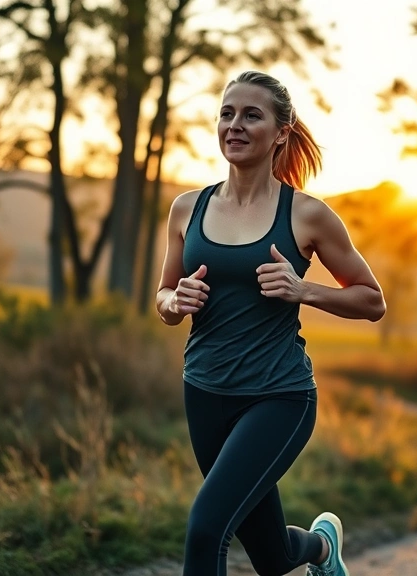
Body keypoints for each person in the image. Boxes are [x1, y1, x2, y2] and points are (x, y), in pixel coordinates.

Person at [155, 70, 386, 576]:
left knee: (206, 530)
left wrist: (304, 289)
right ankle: (322, 549)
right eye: (227, 113)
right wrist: (176, 300)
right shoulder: (186, 209)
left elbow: (372, 301)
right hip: (205, 392)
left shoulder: (306, 215)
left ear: (282, 131)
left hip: (278, 397)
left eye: (251, 115)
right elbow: (164, 297)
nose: (234, 125)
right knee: (270, 556)